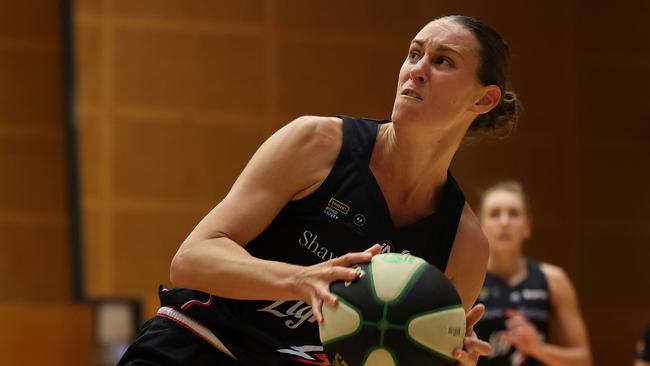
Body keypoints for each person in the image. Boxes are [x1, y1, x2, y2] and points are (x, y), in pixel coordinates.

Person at [119, 15, 519, 366]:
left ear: (483, 99)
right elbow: (192, 258)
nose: (416, 70)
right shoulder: (318, 143)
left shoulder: (464, 244)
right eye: (414, 54)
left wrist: (450, 359)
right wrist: (300, 280)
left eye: (442, 61)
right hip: (195, 347)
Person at [474, 181, 592, 366]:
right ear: (481, 225)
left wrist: (539, 349)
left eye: (513, 214)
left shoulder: (554, 279)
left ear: (527, 226)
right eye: (495, 214)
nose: (504, 222)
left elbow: (584, 360)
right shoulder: (467, 279)